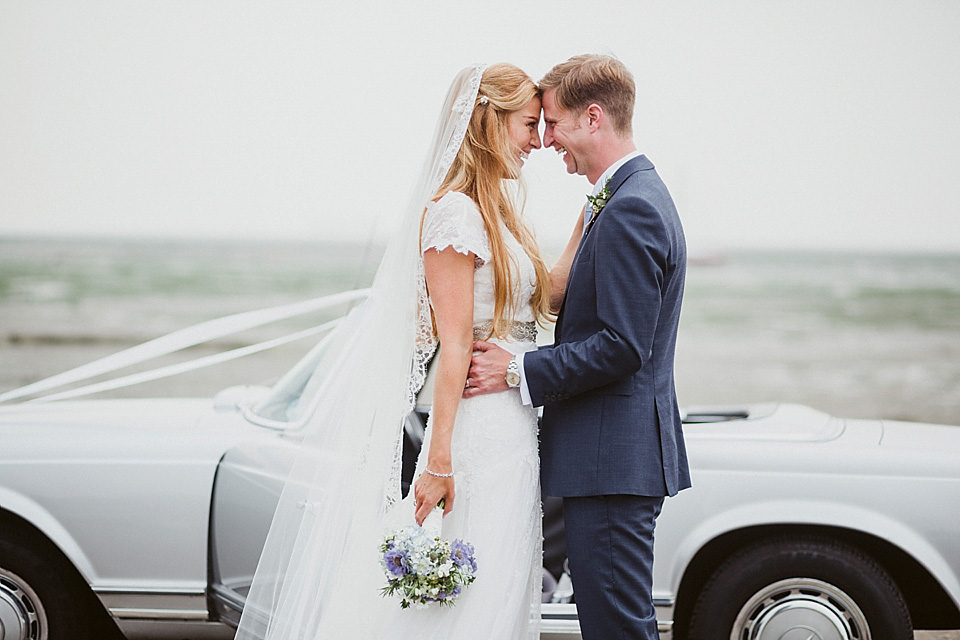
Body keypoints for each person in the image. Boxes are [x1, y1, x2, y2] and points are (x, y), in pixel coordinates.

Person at [235, 63, 550, 640]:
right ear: (489, 118)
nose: (538, 141)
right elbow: (454, 344)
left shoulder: (500, 214)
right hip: (473, 434)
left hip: (512, 429)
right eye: (529, 125)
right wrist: (437, 461)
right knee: (455, 604)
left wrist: (598, 204)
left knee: (496, 593)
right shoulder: (455, 212)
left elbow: (548, 291)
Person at [464, 54, 691, 640]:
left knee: (617, 628)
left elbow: (622, 346)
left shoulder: (632, 207)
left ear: (594, 118)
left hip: (611, 463)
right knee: (617, 623)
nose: (547, 141)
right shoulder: (624, 197)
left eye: (556, 123)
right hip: (611, 459)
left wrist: (520, 368)